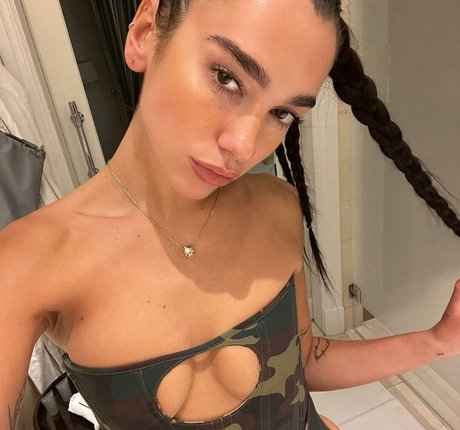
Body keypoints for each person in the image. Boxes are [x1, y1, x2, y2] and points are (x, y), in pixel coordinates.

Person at [1, 0, 460, 429]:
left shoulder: (277, 207)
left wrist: (439, 341)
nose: (244, 146)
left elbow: (302, 361)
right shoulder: (28, 264)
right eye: (226, 78)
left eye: (282, 113)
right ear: (144, 33)